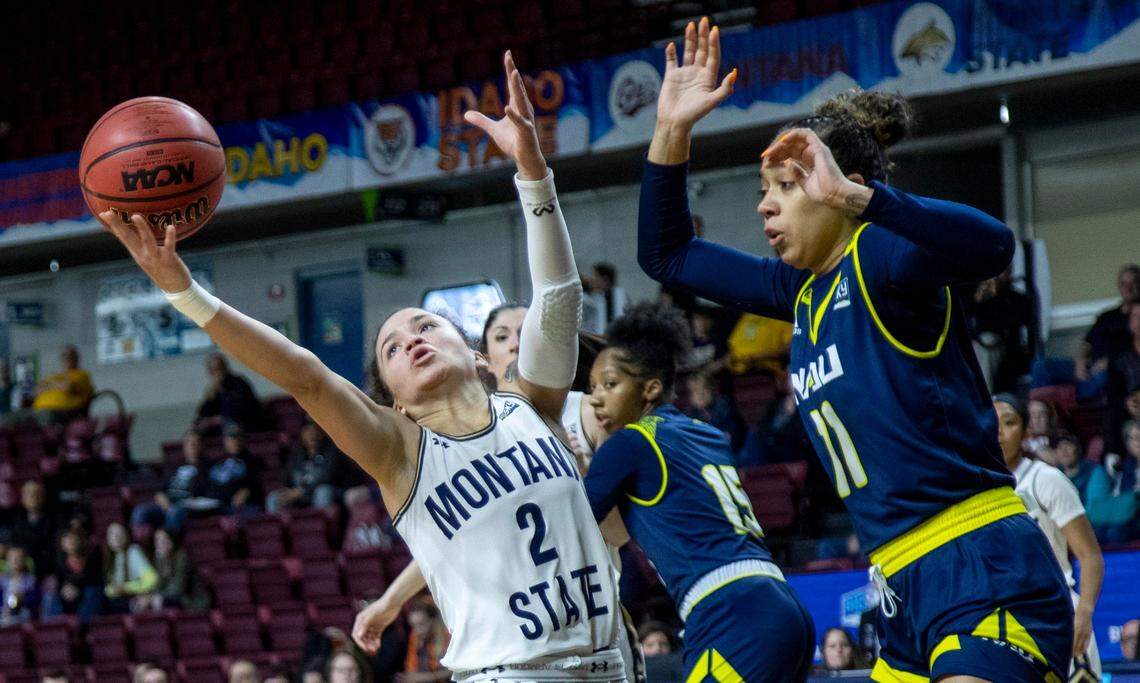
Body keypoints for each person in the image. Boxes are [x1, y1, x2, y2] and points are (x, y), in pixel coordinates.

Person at [103, 51, 626, 682]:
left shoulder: (534, 405)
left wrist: (533, 174)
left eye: (426, 324)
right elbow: (304, 375)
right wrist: (184, 290)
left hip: (608, 666)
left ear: (481, 358)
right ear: (396, 401)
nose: (410, 340)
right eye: (391, 346)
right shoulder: (399, 450)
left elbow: (559, 294)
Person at [637, 18, 1073, 680]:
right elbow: (667, 254)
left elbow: (992, 245)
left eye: (785, 186)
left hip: (980, 561)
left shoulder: (881, 255)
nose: (765, 207)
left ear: (835, 187)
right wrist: (671, 131)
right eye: (764, 191)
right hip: (897, 584)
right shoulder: (801, 292)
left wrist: (862, 200)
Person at [583, 302, 814, 681]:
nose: (595, 398)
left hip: (728, 610)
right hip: (779, 600)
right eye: (592, 388)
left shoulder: (629, 443)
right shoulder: (704, 433)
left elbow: (572, 521)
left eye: (610, 384)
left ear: (650, 388)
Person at [994, 394, 1105, 679]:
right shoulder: (977, 488)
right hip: (1003, 619)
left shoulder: (1046, 479)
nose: (999, 432)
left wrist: (1084, 613)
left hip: (1055, 611)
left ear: (1027, 431)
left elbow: (1091, 556)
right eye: (991, 423)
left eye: (1009, 422)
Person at [131, 430, 209, 532]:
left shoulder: (207, 467)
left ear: (202, 446)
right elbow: (160, 490)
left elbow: (204, 492)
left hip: (186, 507)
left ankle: (169, 544)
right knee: (140, 511)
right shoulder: (177, 467)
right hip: (167, 504)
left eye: (195, 443)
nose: (192, 446)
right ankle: (139, 546)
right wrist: (164, 502)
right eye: (188, 443)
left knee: (175, 512)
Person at [267, 420, 346, 512]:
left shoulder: (332, 451)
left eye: (315, 430)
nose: (312, 434)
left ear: (321, 433)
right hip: (299, 493)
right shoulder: (296, 454)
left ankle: (321, 525)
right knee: (273, 498)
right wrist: (290, 491)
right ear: (302, 434)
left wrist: (301, 491)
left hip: (328, 491)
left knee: (323, 492)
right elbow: (289, 477)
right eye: (308, 431)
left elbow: (327, 476)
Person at [195, 353, 270, 434]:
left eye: (220, 368)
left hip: (245, 422)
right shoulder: (213, 390)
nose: (218, 373)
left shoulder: (238, 383)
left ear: (226, 368)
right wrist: (210, 396)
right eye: (214, 369)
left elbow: (242, 409)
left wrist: (220, 419)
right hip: (222, 424)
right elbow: (202, 414)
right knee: (195, 430)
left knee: (231, 428)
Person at [203, 423, 262, 515]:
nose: (235, 441)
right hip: (213, 505)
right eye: (231, 438)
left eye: (238, 438)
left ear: (244, 439)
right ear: (225, 441)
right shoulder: (217, 462)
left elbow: (257, 482)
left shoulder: (253, 461)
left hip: (238, 507)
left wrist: (248, 490)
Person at [31, 344, 94, 425]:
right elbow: (36, 390)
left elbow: (68, 387)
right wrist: (58, 384)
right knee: (14, 419)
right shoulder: (53, 376)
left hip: (61, 414)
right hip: (38, 411)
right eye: (64, 355)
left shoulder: (82, 375)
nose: (67, 358)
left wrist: (49, 385)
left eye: (70, 355)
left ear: (77, 357)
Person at [1106, 305, 1140, 455]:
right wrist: (1127, 402)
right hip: (1130, 405)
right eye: (1135, 317)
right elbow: (1114, 387)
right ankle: (1114, 460)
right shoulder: (1121, 353)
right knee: (1113, 413)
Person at [102, 522, 157, 614]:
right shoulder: (110, 556)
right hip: (117, 600)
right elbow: (109, 588)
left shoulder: (133, 552)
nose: (116, 537)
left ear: (127, 535)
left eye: (119, 533)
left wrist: (126, 587)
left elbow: (152, 580)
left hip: (133, 598)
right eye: (112, 534)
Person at [148, 528, 207, 611]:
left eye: (163, 540)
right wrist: (148, 597)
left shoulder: (182, 558)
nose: (159, 544)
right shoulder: (160, 559)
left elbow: (177, 589)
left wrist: (156, 596)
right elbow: (157, 586)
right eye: (157, 540)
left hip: (191, 601)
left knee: (159, 601)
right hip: (173, 598)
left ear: (172, 542)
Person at [51, 528, 103, 620]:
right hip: (69, 593)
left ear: (80, 540)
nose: (70, 541)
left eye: (73, 538)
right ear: (62, 544)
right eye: (66, 539)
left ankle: (84, 626)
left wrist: (77, 587)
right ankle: (56, 627)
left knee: (92, 591)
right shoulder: (59, 561)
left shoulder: (93, 556)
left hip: (87, 589)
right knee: (50, 597)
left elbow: (95, 578)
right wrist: (64, 589)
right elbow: (60, 581)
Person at [11, 479, 56, 578]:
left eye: (36, 493)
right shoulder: (17, 521)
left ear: (43, 497)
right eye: (28, 493)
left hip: (46, 573)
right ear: (22, 498)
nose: (32, 497)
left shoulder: (54, 521)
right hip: (20, 573)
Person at [402, 599, 451, 681]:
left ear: (433, 621)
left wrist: (426, 677)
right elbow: (411, 667)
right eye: (413, 626)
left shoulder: (447, 635)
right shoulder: (415, 636)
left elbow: (455, 669)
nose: (417, 631)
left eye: (421, 625)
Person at [0, 545, 39, 626]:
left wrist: (23, 597)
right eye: (11, 558)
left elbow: (35, 599)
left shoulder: (31, 580)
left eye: (18, 558)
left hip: (25, 620)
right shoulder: (2, 580)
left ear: (24, 560)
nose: (14, 561)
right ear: (7, 560)